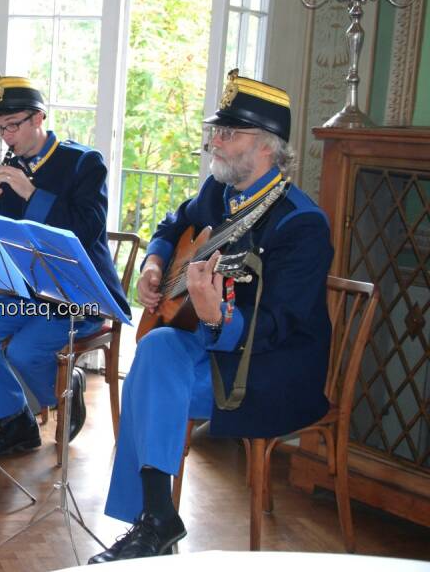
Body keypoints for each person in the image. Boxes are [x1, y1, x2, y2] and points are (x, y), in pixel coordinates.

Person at [88, 70, 333, 563]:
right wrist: (156, 263)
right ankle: (156, 519)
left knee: (149, 374)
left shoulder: (302, 224)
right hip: (208, 343)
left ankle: (154, 521)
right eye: (215, 131)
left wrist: (218, 319)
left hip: (270, 369)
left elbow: (278, 326)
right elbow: (172, 224)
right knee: (155, 350)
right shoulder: (219, 193)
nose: (213, 142)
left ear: (267, 146)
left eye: (227, 133)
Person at [0, 75, 130, 458]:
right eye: (0, 129)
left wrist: (31, 194)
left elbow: (86, 229)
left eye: (13, 126)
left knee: (23, 352)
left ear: (39, 118)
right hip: (31, 289)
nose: (6, 137)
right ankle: (17, 422)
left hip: (79, 292)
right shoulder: (12, 167)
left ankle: (64, 394)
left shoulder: (84, 164)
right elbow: (8, 239)